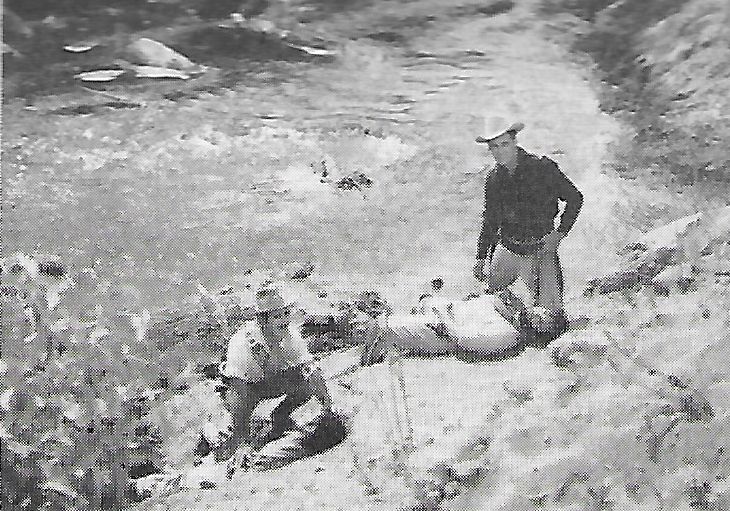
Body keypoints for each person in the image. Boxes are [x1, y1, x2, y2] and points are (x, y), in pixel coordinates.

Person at [472, 116, 583, 339]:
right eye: (494, 147)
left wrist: (559, 234)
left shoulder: (542, 168)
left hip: (541, 250)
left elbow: (575, 199)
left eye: (504, 144)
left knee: (551, 327)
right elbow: (491, 220)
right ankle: (513, 303)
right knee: (488, 304)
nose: (499, 151)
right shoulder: (493, 179)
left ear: (514, 142)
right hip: (508, 249)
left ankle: (533, 307)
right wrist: (481, 257)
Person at [216, 284, 344, 473]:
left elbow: (311, 369)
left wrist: (327, 404)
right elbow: (237, 387)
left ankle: (280, 417)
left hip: (268, 381)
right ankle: (240, 442)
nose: (284, 320)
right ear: (263, 321)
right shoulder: (242, 343)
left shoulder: (290, 336)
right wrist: (244, 435)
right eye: (277, 316)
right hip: (240, 388)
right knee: (236, 415)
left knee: (305, 382)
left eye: (285, 314)